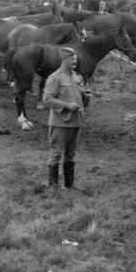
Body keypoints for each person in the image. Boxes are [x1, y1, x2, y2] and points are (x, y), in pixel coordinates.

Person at [42, 46, 90, 190]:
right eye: (72, 59)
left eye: (75, 59)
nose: (75, 61)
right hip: (60, 123)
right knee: (56, 153)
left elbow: (81, 97)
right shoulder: (55, 78)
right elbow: (47, 100)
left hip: (76, 122)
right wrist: (68, 106)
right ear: (64, 59)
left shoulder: (77, 77)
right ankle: (53, 187)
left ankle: (69, 186)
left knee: (71, 155)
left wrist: (86, 96)